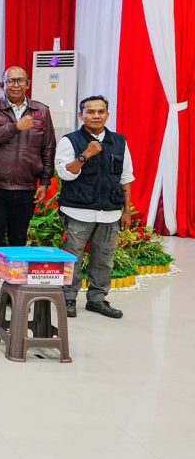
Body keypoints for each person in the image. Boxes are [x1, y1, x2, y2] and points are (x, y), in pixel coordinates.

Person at [0, 66, 56, 310]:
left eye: (20, 80)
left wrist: (45, 181)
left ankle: (13, 286)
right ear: (2, 85)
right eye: (10, 81)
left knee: (18, 239)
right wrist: (15, 127)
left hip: (26, 186)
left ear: (28, 84)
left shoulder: (42, 111)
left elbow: (49, 148)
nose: (15, 85)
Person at [55, 95, 132, 319]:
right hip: (78, 210)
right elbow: (65, 174)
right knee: (72, 257)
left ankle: (97, 299)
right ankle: (68, 298)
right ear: (81, 115)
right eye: (90, 112)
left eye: (101, 111)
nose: (96, 116)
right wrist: (86, 154)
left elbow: (126, 178)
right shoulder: (70, 141)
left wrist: (127, 211)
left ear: (107, 115)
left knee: (104, 258)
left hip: (110, 212)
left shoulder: (119, 141)